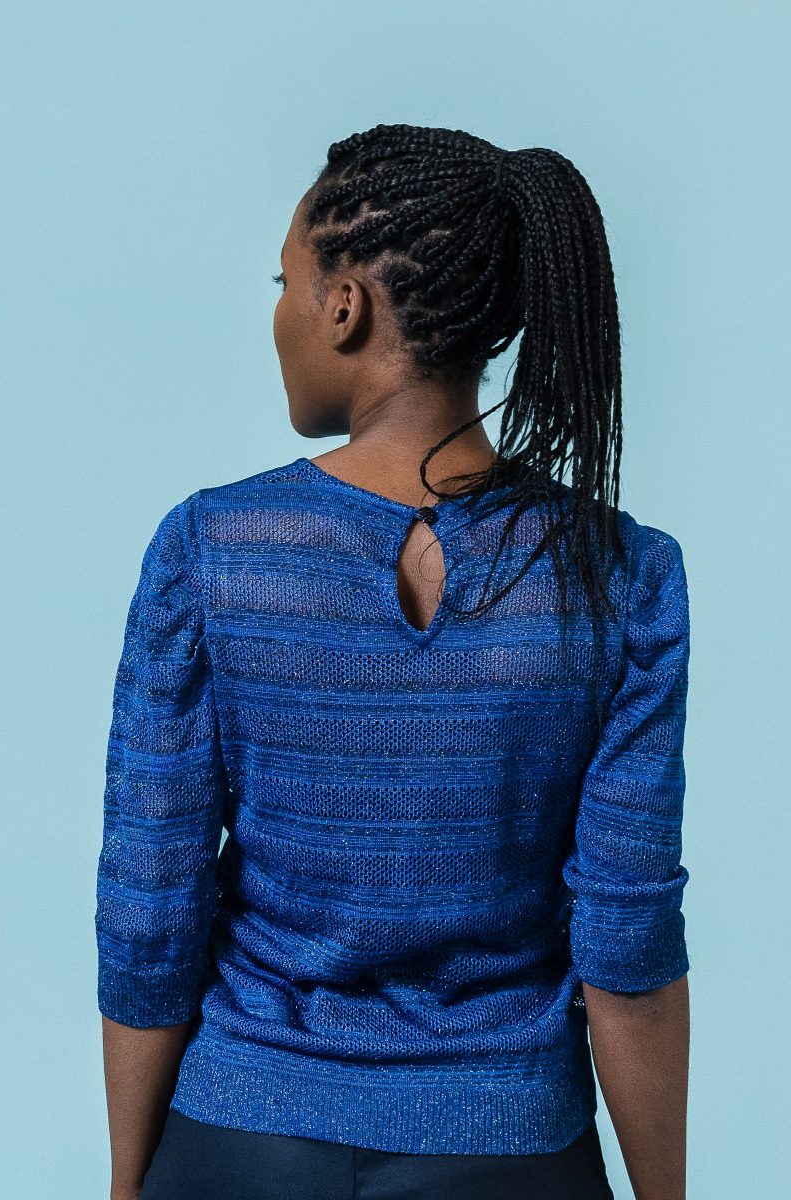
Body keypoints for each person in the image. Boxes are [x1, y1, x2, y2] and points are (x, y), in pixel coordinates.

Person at [96, 123, 692, 1200]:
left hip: (240, 1141)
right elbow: (629, 938)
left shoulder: (212, 552)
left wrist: (132, 1181)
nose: (279, 314)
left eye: (285, 284)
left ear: (343, 307)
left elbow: (150, 911)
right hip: (509, 1152)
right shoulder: (618, 576)